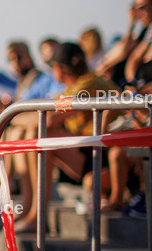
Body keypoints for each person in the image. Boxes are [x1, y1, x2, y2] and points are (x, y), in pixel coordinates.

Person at [8, 42, 117, 232]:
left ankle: (37, 214)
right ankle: (29, 206)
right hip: (96, 154)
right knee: (19, 133)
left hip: (107, 161)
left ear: (59, 69)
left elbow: (50, 118)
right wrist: (16, 119)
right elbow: (43, 110)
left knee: (40, 132)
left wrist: (13, 118)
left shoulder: (86, 85)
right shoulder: (81, 83)